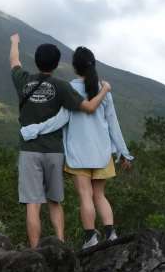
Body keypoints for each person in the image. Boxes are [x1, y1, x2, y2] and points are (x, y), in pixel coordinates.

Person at [20, 46, 134, 250]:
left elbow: (60, 119)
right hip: (102, 153)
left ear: (74, 67)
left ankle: (91, 237)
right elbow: (113, 122)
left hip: (78, 153)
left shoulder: (69, 88)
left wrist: (33, 130)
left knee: (85, 196)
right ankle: (111, 233)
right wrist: (124, 153)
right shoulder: (103, 89)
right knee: (100, 195)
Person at [10, 34, 110, 248]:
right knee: (55, 202)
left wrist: (15, 42)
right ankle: (61, 246)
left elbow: (14, 62)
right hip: (54, 151)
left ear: (36, 61)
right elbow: (90, 108)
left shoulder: (23, 80)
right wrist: (104, 90)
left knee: (33, 205)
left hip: (29, 151)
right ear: (56, 64)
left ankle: (35, 251)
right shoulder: (63, 86)